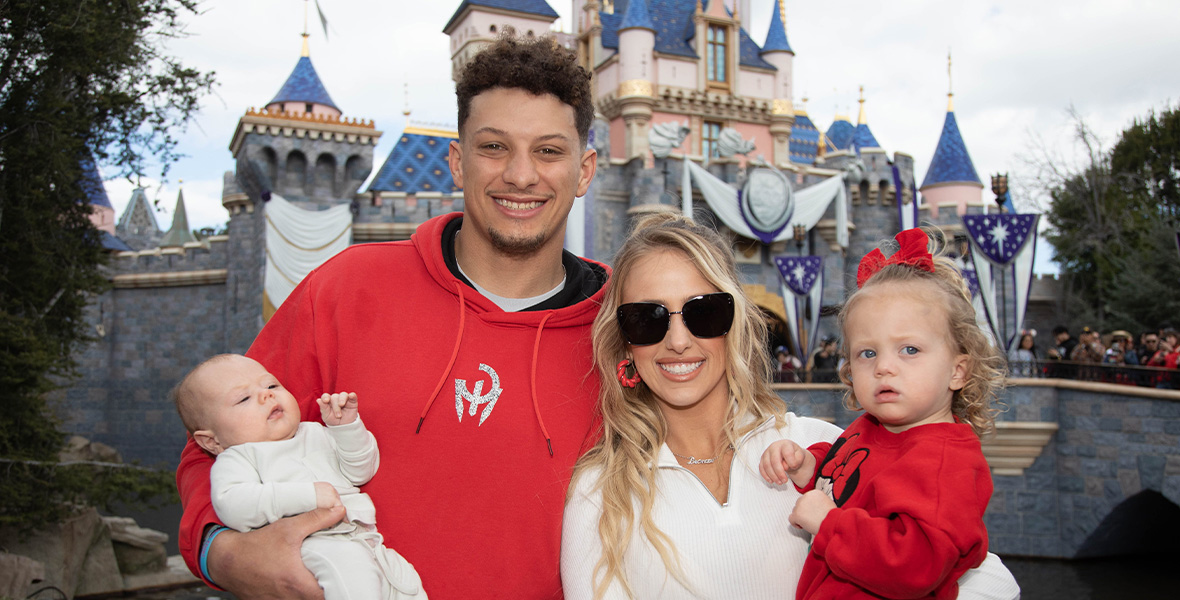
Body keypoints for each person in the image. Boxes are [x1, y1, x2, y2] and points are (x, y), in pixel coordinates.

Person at [176, 33, 607, 598]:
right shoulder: (348, 288)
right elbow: (213, 443)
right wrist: (223, 552)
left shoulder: (628, 329)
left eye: (549, 151)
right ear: (457, 161)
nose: (521, 175)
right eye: (494, 147)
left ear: (584, 171)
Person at [561, 217, 1019, 599]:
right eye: (647, 318)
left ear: (735, 323)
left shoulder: (816, 448)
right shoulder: (600, 492)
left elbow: (988, 578)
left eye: (704, 313)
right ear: (624, 340)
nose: (678, 341)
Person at [759, 228, 1005, 600]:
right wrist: (809, 467)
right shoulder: (872, 428)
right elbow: (850, 482)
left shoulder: (944, 462)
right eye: (868, 353)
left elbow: (916, 567)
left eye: (909, 349)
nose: (884, 367)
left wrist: (829, 524)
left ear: (959, 370)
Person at [171, 354, 425, 600]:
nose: (267, 394)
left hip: (366, 540)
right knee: (353, 570)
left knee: (407, 585)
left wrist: (347, 429)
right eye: (243, 398)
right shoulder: (238, 459)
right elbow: (234, 505)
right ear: (212, 441)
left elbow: (360, 471)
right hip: (312, 545)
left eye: (272, 384)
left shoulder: (316, 433)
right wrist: (308, 496)